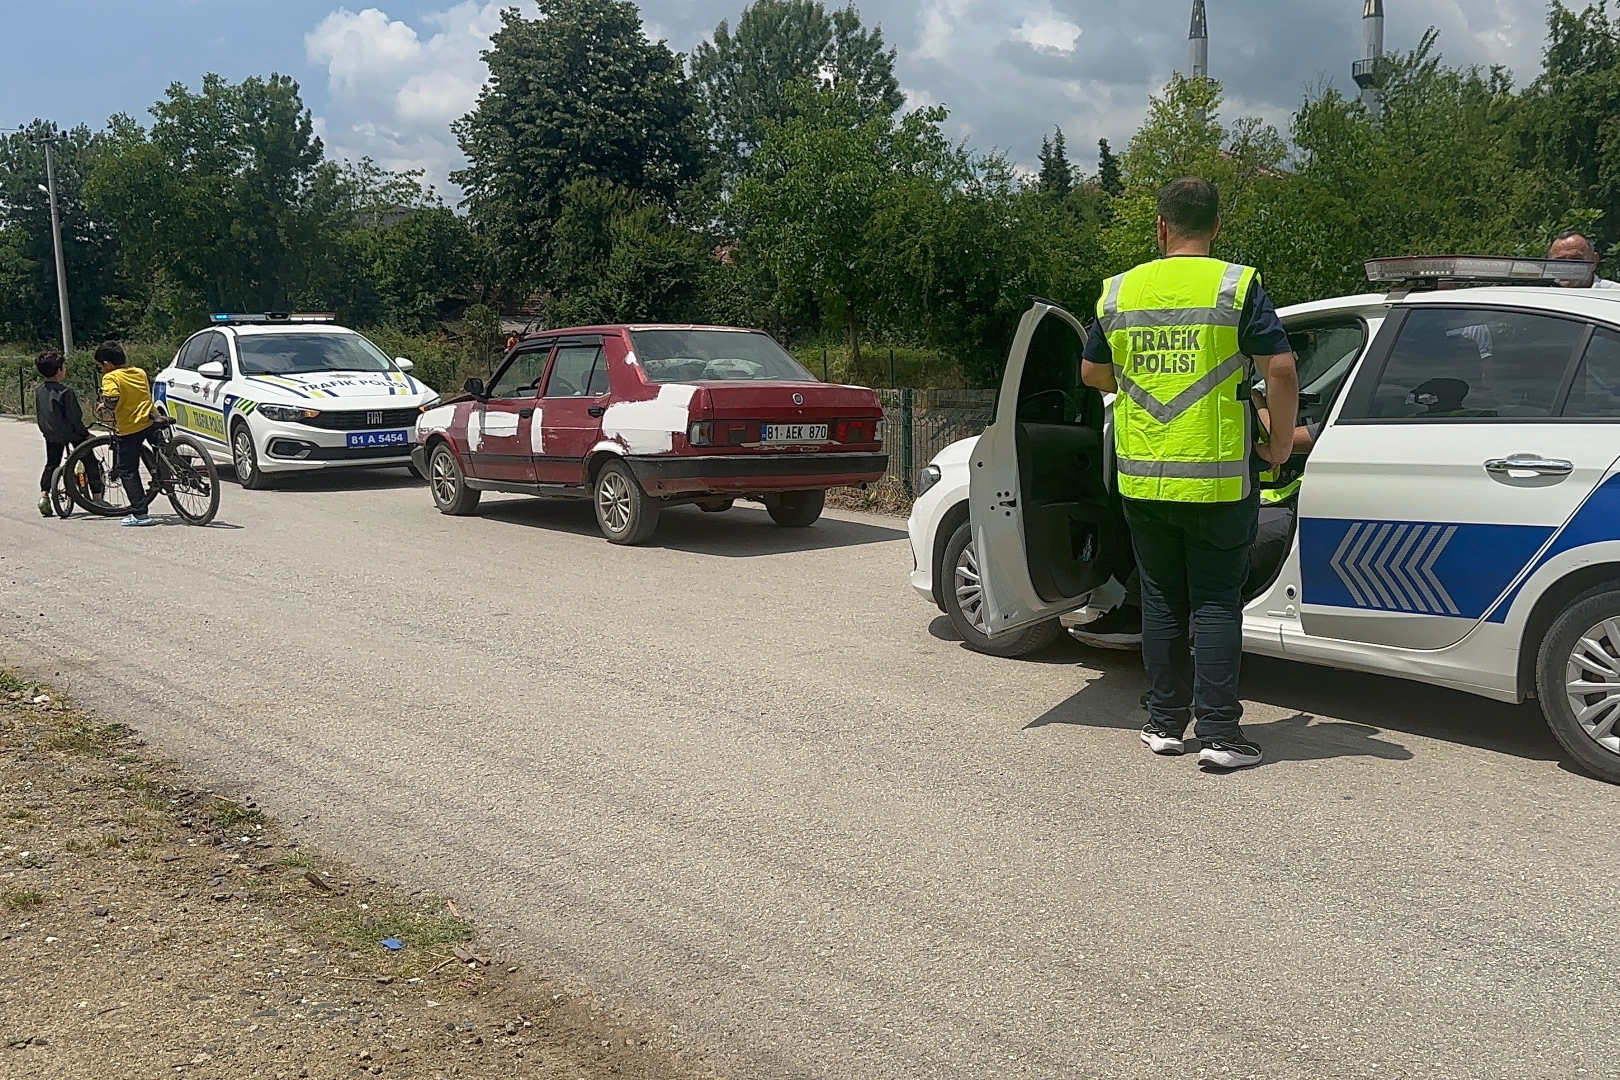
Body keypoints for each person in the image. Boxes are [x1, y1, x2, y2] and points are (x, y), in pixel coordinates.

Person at [1079, 177, 1298, 770]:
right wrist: (1278, 444)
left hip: (1144, 479)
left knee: (1161, 599)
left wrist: (1143, 382)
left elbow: (1092, 374)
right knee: (1217, 603)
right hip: (1220, 481)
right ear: (1217, 228)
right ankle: (1223, 736)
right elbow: (1280, 367)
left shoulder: (1121, 291)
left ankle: (1166, 725)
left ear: (1161, 227)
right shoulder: (1235, 284)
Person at [94, 340, 159, 527]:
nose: (102, 371)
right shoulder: (139, 372)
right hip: (150, 420)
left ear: (107, 364)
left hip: (130, 428)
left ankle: (140, 514)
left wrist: (103, 405)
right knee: (159, 448)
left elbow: (113, 399)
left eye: (100, 368)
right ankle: (165, 473)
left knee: (127, 470)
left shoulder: (110, 377)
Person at [33, 351, 103, 516]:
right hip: (72, 433)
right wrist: (86, 435)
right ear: (59, 371)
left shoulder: (39, 390)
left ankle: (44, 495)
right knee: (90, 461)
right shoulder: (66, 392)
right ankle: (97, 497)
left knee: (52, 463)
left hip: (51, 433)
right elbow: (74, 418)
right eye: (63, 367)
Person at [1547, 230, 1620, 289]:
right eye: (1560, 260)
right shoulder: (1541, 294)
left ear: (1594, 261)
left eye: (1576, 259)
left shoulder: (1614, 294)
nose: (1568, 266)